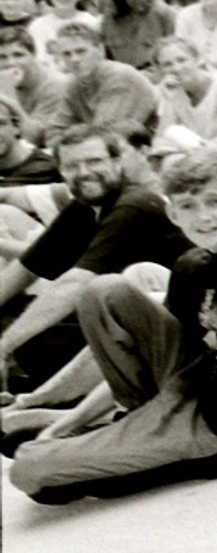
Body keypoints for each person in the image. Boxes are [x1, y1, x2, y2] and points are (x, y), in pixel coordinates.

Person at [8, 147, 217, 503]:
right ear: (172, 213)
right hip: (196, 387)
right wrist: (67, 424)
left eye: (216, 202)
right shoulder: (194, 263)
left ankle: (145, 450)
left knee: (29, 470)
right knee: (104, 291)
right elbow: (171, 358)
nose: (203, 217)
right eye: (188, 206)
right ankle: (127, 429)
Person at [0, 125, 193, 394]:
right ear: (62, 171)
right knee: (14, 314)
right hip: (127, 323)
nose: (84, 172)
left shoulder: (133, 206)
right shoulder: (85, 207)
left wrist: (4, 346)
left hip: (178, 335)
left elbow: (75, 284)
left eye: (94, 161)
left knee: (35, 337)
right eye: (72, 166)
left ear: (117, 162)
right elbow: (27, 268)